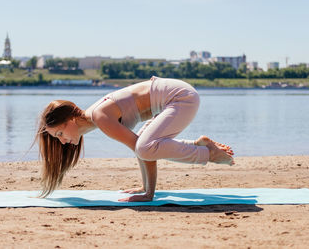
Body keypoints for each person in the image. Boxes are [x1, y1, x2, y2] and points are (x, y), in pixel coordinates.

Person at [36, 76, 234, 201]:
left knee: (145, 147)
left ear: (70, 119)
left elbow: (141, 149)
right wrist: (144, 187)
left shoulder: (99, 117)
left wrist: (149, 194)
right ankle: (200, 145)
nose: (61, 141)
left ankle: (207, 154)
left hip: (181, 97)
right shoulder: (96, 117)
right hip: (173, 98)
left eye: (60, 133)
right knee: (145, 145)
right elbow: (139, 147)